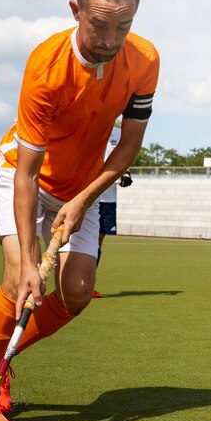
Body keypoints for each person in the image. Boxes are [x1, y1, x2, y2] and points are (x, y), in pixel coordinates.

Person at [0, 0, 160, 421]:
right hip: (25, 175)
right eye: (99, 25)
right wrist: (31, 261)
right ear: (76, 11)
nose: (111, 40)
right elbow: (27, 173)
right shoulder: (45, 66)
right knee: (18, 283)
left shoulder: (145, 60)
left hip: (84, 185)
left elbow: (129, 145)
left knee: (74, 293)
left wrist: (82, 200)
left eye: (124, 27)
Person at [93, 121, 133, 298]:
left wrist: (126, 173)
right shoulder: (93, 128)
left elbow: (125, 156)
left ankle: (88, 283)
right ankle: (74, 282)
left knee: (99, 239)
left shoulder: (119, 133)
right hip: (90, 194)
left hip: (109, 197)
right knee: (86, 238)